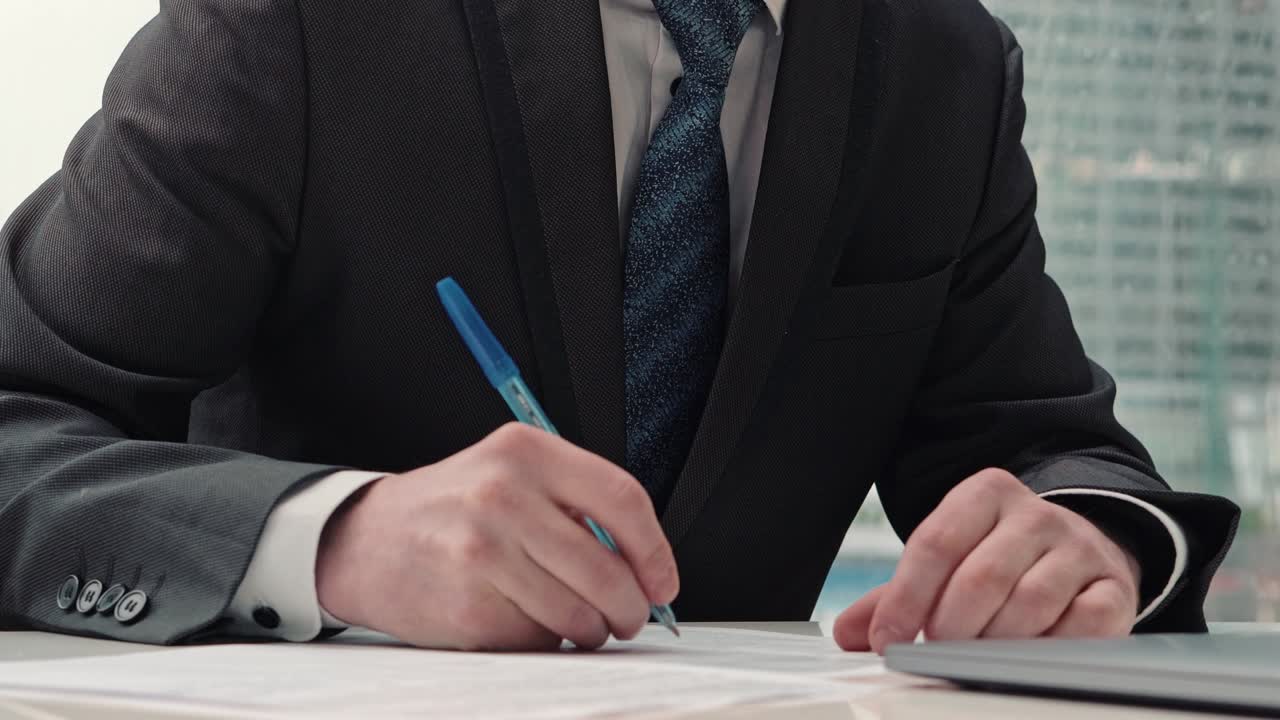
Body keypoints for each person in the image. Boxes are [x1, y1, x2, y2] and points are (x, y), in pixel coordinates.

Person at [0, 0, 1239, 653]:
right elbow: (18, 427)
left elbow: (1046, 449)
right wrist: (335, 539)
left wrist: (1090, 547)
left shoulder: (941, 62)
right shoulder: (298, 25)